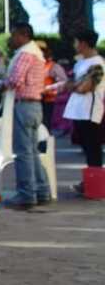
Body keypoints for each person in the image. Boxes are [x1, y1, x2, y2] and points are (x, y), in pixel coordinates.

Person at [2, 22, 50, 209]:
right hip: (35, 106)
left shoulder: (25, 54)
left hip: (24, 106)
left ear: (24, 35)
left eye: (14, 35)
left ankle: (26, 194)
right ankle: (42, 190)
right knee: (32, 152)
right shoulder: (36, 53)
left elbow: (15, 80)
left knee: (23, 153)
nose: (11, 39)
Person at [62, 29, 105, 185]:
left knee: (93, 149)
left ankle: (96, 183)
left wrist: (73, 85)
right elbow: (72, 83)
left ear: (83, 44)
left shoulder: (97, 64)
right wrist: (74, 85)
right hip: (79, 111)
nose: (74, 45)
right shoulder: (80, 62)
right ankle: (90, 181)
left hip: (90, 111)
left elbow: (85, 87)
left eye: (76, 42)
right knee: (86, 148)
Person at [38, 41, 68, 131]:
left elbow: (64, 81)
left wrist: (49, 89)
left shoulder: (53, 66)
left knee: (45, 126)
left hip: (48, 100)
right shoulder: (36, 65)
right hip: (35, 99)